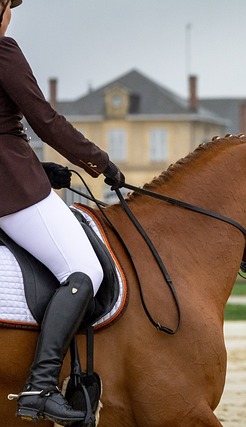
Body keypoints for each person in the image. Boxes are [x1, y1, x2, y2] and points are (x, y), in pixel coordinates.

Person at [0, 1, 124, 425]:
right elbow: (46, 122)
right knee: (85, 268)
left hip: (14, 174)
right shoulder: (3, 49)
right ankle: (40, 384)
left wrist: (40, 168)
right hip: (11, 191)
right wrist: (100, 163)